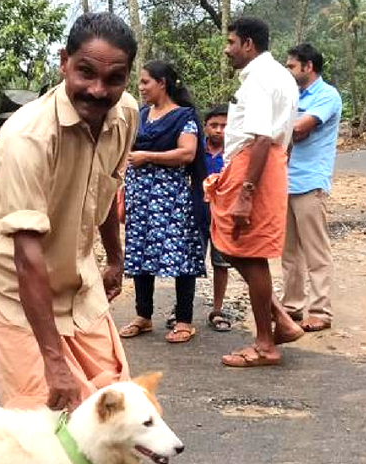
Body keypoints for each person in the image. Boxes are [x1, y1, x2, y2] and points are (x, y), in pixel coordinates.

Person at [0, 11, 178, 464]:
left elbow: (108, 191)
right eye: (85, 72)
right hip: (17, 289)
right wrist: (53, 360)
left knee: (122, 404)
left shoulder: (127, 117)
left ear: (127, 80)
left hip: (80, 278)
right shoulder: (26, 137)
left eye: (113, 78)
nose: (97, 89)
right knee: (35, 419)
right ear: (65, 65)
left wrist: (113, 256)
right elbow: (28, 257)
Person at [206, 17, 303, 367]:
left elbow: (262, 137)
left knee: (248, 249)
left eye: (231, 42)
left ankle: (266, 345)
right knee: (231, 243)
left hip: (255, 165)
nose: (227, 50)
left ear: (248, 44)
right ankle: (280, 318)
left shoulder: (261, 78)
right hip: (263, 163)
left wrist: (246, 191)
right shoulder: (280, 75)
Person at [119, 60, 207, 344]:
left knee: (179, 254)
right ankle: (143, 316)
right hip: (140, 197)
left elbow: (187, 153)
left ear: (162, 83)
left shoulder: (184, 116)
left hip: (170, 197)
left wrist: (148, 157)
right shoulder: (143, 115)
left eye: (145, 82)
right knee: (141, 253)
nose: (141, 87)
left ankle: (184, 320)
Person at [283, 43, 341, 332]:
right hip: (285, 180)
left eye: (292, 66)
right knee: (289, 252)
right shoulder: (292, 95)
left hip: (310, 181)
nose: (288, 70)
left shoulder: (327, 95)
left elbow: (299, 128)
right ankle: (292, 306)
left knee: (316, 250)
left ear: (308, 67)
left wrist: (281, 124)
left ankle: (320, 310)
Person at [203, 105, 233, 332]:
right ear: (205, 127)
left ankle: (217, 308)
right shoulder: (195, 152)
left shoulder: (234, 155)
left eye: (224, 126)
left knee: (221, 263)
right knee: (191, 261)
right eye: (214, 125)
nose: (219, 130)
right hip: (198, 214)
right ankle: (181, 308)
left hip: (224, 216)